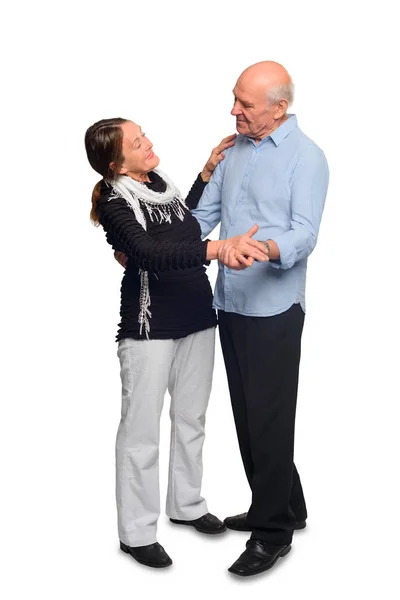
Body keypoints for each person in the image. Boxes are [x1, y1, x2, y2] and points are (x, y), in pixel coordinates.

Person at [84, 118, 268, 569]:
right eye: (137, 142)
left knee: (192, 417)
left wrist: (204, 176)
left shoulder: (160, 183)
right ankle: (136, 532)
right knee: (141, 430)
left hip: (196, 315)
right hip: (150, 324)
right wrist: (216, 249)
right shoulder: (113, 199)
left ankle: (186, 505)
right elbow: (148, 252)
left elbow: (181, 230)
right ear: (115, 162)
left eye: (144, 134)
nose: (149, 143)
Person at [191, 61, 330, 577]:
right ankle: (286, 503)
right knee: (250, 418)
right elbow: (201, 220)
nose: (234, 111)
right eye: (234, 99)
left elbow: (305, 233)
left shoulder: (307, 157)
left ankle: (272, 532)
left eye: (245, 105)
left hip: (275, 308)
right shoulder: (231, 151)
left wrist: (266, 248)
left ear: (279, 108)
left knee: (270, 420)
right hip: (230, 302)